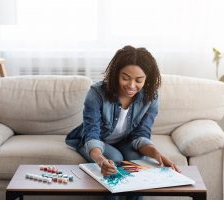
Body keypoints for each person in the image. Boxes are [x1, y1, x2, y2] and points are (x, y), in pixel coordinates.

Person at [65, 45, 180, 200]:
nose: (131, 86)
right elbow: (92, 133)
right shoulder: (97, 93)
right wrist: (100, 160)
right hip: (92, 141)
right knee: (115, 158)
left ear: (147, 79)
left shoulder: (150, 97)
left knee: (139, 162)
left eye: (139, 80)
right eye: (125, 78)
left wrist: (156, 154)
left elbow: (141, 134)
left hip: (124, 141)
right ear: (115, 74)